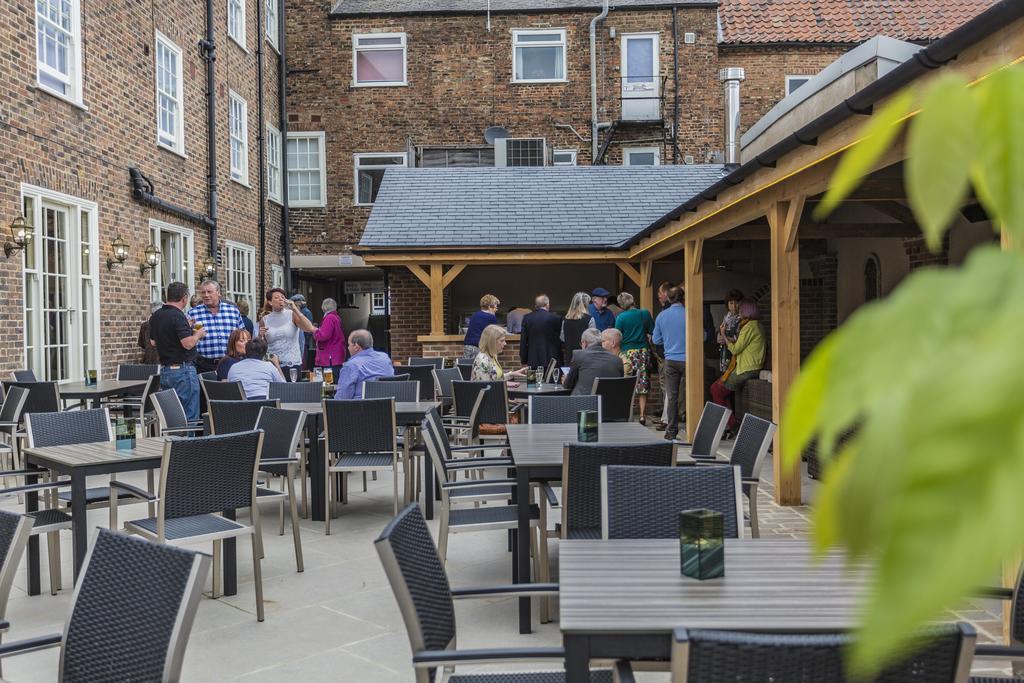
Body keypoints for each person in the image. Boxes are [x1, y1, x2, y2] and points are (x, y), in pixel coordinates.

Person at [149, 282, 205, 421]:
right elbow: (187, 344)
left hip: (166, 371)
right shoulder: (178, 316)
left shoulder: (156, 315)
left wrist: (186, 329)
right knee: (189, 415)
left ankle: (174, 442)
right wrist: (198, 335)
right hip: (183, 371)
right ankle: (187, 442)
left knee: (173, 416)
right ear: (184, 298)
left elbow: (153, 342)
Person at [710, 298, 766, 435]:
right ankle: (730, 423)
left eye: (741, 310)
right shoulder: (754, 325)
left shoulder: (750, 326)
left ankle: (731, 424)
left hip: (747, 368)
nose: (739, 312)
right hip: (749, 366)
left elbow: (735, 350)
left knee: (716, 390)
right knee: (719, 391)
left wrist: (723, 334)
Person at [187, 280, 245, 374]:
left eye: (209, 292)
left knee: (230, 389)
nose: (206, 295)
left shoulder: (233, 311)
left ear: (218, 293)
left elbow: (243, 336)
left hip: (230, 363)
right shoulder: (193, 313)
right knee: (206, 388)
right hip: (203, 364)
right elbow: (188, 339)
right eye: (203, 292)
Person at [259, 288, 318, 381]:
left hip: (291, 364)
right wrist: (260, 335)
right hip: (272, 364)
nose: (280, 299)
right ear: (270, 302)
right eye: (276, 297)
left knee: (292, 393)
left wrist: (295, 309)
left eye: (282, 297)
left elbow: (310, 328)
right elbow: (262, 346)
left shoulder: (291, 314)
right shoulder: (265, 319)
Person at [614, 292, 654, 424]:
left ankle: (628, 413)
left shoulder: (621, 318)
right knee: (642, 383)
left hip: (627, 353)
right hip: (642, 352)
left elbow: (617, 336)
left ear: (621, 305)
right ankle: (642, 415)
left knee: (627, 383)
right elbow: (652, 331)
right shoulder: (645, 314)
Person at [652, 286, 687, 440]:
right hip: (689, 359)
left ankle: (671, 430)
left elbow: (655, 340)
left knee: (672, 396)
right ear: (683, 298)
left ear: (669, 298)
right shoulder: (689, 314)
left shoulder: (662, 316)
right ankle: (694, 427)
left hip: (670, 360)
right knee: (692, 394)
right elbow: (703, 336)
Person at [334, 329, 395, 399]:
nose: (348, 348)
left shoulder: (351, 366)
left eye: (349, 344)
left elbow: (342, 399)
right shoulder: (385, 358)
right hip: (388, 406)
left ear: (356, 347)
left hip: (359, 408)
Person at [563, 328, 623, 396]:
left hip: (583, 403)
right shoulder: (617, 360)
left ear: (584, 343)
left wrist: (565, 380)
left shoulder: (579, 355)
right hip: (609, 403)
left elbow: (568, 385)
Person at [653, 281, 675, 431]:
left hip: (667, 355)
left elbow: (656, 339)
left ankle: (667, 419)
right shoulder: (685, 312)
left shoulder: (663, 314)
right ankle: (667, 417)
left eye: (660, 293)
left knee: (668, 388)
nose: (658, 296)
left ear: (666, 294)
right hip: (678, 355)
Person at [519, 294, 563, 370]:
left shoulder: (527, 318)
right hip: (553, 360)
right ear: (547, 305)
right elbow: (561, 338)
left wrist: (523, 360)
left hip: (533, 359)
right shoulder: (556, 318)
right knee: (553, 381)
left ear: (536, 306)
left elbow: (523, 341)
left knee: (533, 382)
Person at [313, 297, 346, 380]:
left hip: (329, 357)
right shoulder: (336, 317)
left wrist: (315, 331)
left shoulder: (329, 318)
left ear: (324, 307)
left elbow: (324, 336)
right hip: (336, 356)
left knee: (329, 384)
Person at [561, 292, 596, 361]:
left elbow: (562, 338)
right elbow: (593, 340)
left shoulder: (565, 320)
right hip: (586, 357)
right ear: (585, 305)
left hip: (570, 356)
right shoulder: (589, 319)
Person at [464, 294, 500, 359]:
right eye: (495, 307)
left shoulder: (475, 314)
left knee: (467, 368)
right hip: (479, 348)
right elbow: (497, 333)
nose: (496, 309)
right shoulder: (491, 317)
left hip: (468, 347)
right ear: (489, 307)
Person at [717, 289, 744, 372]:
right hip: (725, 352)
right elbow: (720, 331)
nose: (734, 306)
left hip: (736, 353)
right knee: (724, 376)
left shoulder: (742, 318)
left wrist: (726, 339)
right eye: (731, 303)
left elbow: (741, 339)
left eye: (736, 303)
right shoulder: (726, 317)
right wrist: (718, 337)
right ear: (727, 305)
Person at [291, 293, 316, 370]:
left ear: (299, 302)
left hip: (304, 340)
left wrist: (306, 338)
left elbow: (309, 328)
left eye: (295, 302)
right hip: (298, 340)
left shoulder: (306, 312)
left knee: (303, 359)